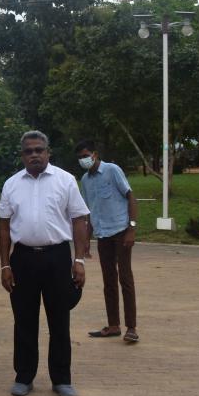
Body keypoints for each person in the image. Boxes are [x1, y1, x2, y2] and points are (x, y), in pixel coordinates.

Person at [0, 130, 89, 396]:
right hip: (23, 259)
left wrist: (79, 259)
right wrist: (5, 265)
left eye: (39, 149)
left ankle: (61, 379)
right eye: (29, 151)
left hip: (57, 258)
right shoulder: (11, 184)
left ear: (48, 152)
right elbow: (3, 228)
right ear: (22, 155)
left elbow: (79, 220)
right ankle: (24, 377)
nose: (34, 154)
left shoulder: (65, 180)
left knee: (60, 320)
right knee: (24, 321)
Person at [75, 139, 140, 343]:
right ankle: (114, 325)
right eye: (80, 158)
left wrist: (132, 228)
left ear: (95, 154)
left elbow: (130, 197)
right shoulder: (85, 180)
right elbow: (90, 211)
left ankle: (131, 327)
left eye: (85, 155)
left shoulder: (112, 170)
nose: (83, 160)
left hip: (121, 231)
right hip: (102, 235)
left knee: (125, 278)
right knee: (108, 281)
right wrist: (87, 239)